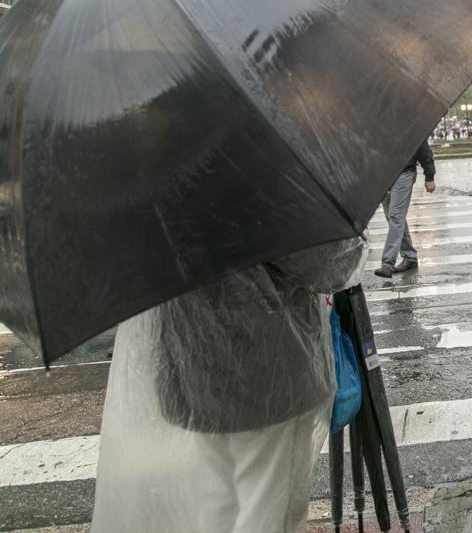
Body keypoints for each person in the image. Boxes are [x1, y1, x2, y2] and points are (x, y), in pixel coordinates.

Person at [92, 239, 369, 533]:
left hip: (189, 366)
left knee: (216, 498)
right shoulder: (267, 191)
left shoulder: (153, 196)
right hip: (270, 370)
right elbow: (328, 263)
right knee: (268, 506)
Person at [374, 139, 435, 278]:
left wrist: (429, 176)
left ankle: (387, 264)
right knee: (394, 217)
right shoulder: (375, 123)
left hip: (403, 173)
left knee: (395, 216)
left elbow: (423, 148)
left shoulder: (406, 121)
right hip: (383, 175)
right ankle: (410, 256)